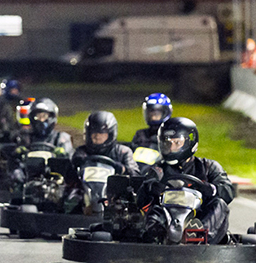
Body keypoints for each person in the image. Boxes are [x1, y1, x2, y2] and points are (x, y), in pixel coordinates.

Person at [149, 116, 234, 244]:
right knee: (153, 207)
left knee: (219, 204)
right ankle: (157, 237)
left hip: (198, 218)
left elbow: (228, 191)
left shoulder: (208, 167)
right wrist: (151, 188)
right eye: (168, 143)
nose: (171, 148)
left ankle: (197, 236)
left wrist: (212, 189)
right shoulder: (158, 170)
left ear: (190, 142)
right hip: (168, 219)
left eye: (177, 143)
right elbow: (141, 199)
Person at [71, 111, 136, 175]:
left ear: (110, 134)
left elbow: (135, 175)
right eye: (94, 133)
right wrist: (78, 161)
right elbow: (68, 177)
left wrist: (122, 169)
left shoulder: (122, 152)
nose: (97, 137)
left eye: (102, 133)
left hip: (114, 185)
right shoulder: (82, 151)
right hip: (86, 184)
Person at [130, 93, 171, 164]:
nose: (153, 117)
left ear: (165, 112)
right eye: (150, 113)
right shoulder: (141, 135)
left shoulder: (170, 135)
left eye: (156, 114)